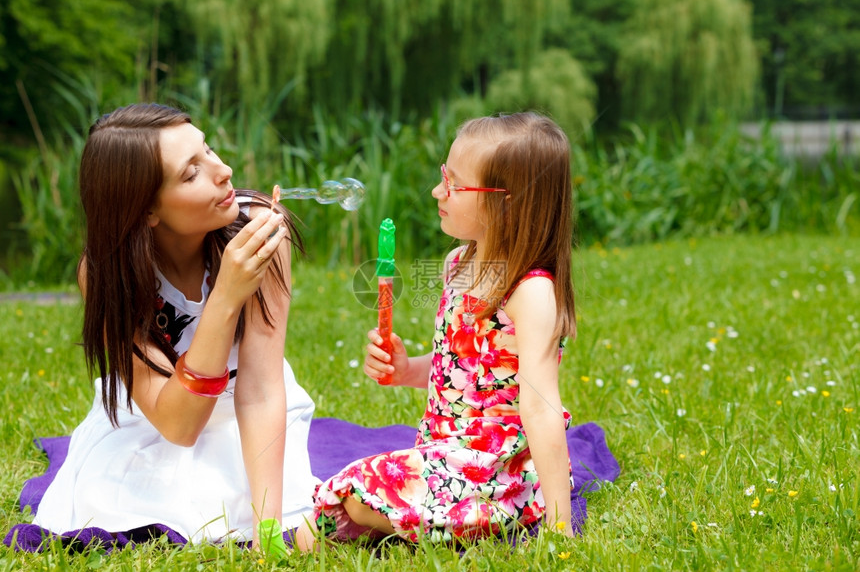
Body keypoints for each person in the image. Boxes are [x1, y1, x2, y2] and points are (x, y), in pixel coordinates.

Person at [32, 103, 318, 552]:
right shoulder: (108, 272)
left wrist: (269, 527)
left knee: (261, 504)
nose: (223, 171)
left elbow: (261, 392)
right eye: (191, 174)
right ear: (146, 210)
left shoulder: (258, 230)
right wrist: (225, 296)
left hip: (250, 411)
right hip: (162, 416)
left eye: (208, 149)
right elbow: (177, 426)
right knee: (118, 501)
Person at [295, 111, 577, 549]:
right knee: (321, 524)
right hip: (443, 457)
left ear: (508, 201)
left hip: (496, 473)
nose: (437, 191)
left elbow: (540, 408)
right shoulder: (456, 265)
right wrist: (407, 369)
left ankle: (489, 511)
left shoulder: (531, 292)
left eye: (454, 184)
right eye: (444, 176)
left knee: (352, 496)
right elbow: (459, 371)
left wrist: (561, 527)